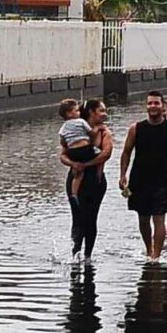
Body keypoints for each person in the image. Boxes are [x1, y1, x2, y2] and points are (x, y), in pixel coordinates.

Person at [116, 90, 167, 262]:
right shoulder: (136, 128)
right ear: (146, 106)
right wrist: (123, 175)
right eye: (150, 103)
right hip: (139, 180)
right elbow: (126, 152)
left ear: (162, 105)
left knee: (159, 218)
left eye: (156, 103)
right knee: (143, 219)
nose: (153, 106)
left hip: (162, 181)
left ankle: (156, 256)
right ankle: (148, 248)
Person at [65, 99, 113, 260]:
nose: (105, 114)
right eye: (101, 111)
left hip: (95, 180)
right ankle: (75, 253)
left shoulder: (104, 132)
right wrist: (74, 163)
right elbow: (62, 154)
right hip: (76, 176)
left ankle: (87, 256)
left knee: (91, 218)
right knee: (77, 217)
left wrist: (86, 164)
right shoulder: (77, 128)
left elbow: (106, 153)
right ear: (91, 112)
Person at [56, 98, 97, 203]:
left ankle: (74, 194)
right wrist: (98, 129)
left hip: (73, 152)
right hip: (85, 149)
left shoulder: (63, 127)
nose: (79, 113)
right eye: (77, 110)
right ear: (69, 114)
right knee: (96, 152)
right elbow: (92, 133)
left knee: (78, 173)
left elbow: (63, 141)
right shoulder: (81, 121)